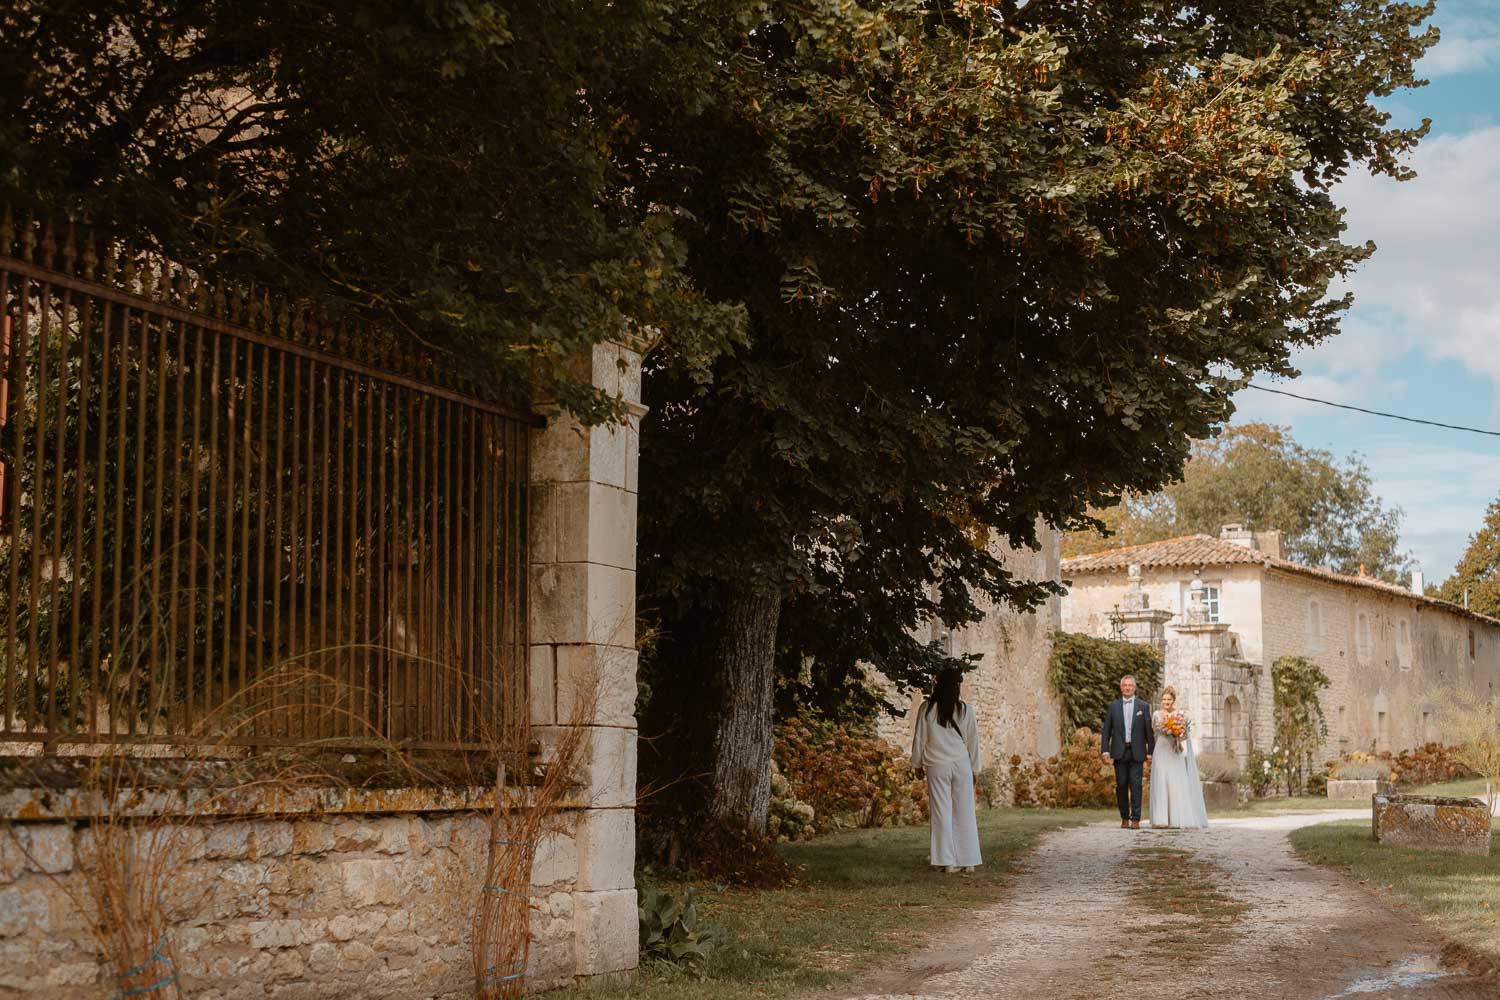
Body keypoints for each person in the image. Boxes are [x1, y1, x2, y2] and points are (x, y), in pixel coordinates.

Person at [911, 668, 982, 872]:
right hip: (961, 763)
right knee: (965, 811)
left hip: (937, 764)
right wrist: (975, 769)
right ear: (957, 686)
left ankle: (947, 861)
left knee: (941, 812)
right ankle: (968, 861)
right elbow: (973, 742)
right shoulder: (966, 710)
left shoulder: (927, 709)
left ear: (938, 684)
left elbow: (920, 738)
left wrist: (917, 764)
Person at [1149, 686, 1210, 829]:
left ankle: (1175, 818)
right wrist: (1166, 730)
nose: (1166, 702)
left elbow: (1185, 735)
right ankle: (1160, 819)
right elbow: (1155, 731)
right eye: (1164, 699)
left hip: (1174, 751)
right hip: (1161, 750)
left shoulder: (1180, 715)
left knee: (1175, 781)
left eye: (1169, 699)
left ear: (1173, 700)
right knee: (1161, 781)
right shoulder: (1156, 714)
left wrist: (1177, 734)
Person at [1100, 674, 1154, 829]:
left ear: (1134, 688)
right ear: (1121, 688)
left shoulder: (1143, 706)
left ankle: (1136, 819)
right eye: (1125, 685)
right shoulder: (1113, 706)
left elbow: (1148, 731)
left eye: (1130, 685)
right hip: (1119, 751)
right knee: (1122, 785)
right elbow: (1106, 730)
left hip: (1137, 752)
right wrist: (1105, 750)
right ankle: (1124, 817)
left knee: (1136, 785)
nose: (1128, 688)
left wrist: (1150, 751)